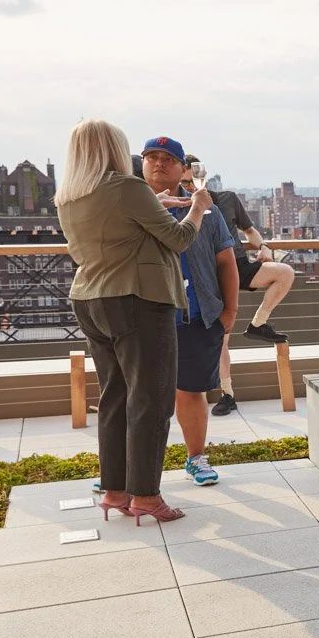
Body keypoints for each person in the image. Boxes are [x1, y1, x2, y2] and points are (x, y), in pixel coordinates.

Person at [57, 120, 213, 524]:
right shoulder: (127, 187)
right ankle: (146, 496)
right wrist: (197, 209)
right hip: (138, 299)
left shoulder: (69, 195)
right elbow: (179, 240)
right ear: (115, 148)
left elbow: (119, 231)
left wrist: (158, 204)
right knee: (151, 398)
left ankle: (115, 489)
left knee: (115, 397)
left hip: (91, 297)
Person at [141, 139, 237, 487]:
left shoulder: (207, 209)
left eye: (169, 159)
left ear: (184, 168)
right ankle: (123, 469)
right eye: (151, 157)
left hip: (197, 314)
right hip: (145, 316)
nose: (159, 164)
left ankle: (196, 457)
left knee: (192, 389)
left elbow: (225, 260)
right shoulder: (131, 206)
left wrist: (230, 309)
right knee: (138, 393)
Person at [183, 155, 296, 417]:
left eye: (191, 180)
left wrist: (264, 246)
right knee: (221, 339)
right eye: (184, 182)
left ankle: (258, 324)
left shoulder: (227, 198)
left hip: (240, 266)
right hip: (211, 276)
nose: (189, 186)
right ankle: (228, 394)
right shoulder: (184, 207)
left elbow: (250, 231)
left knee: (284, 272)